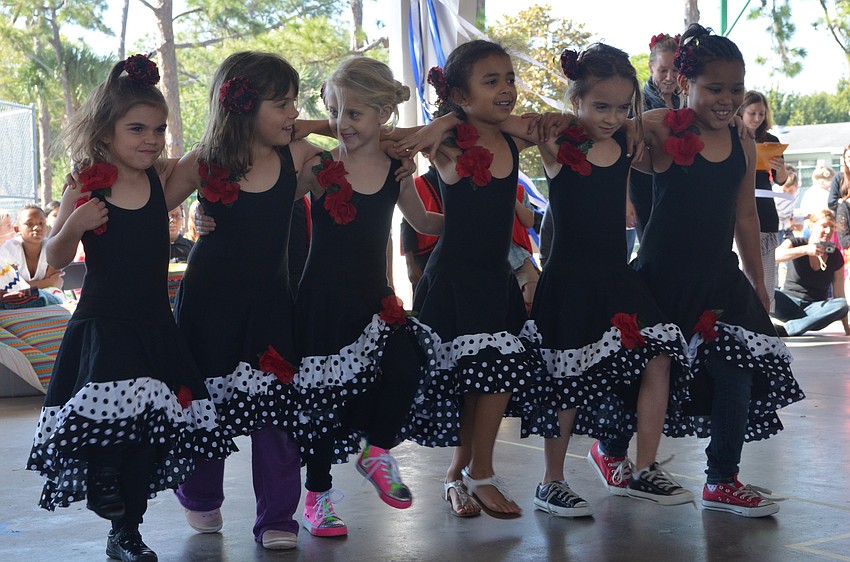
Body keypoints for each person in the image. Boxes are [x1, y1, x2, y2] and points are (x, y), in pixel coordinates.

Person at [26, 55, 225, 562]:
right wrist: (74, 225)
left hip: (155, 325)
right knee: (112, 425)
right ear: (106, 131)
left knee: (146, 434)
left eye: (158, 129)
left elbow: (215, 148)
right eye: (137, 128)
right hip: (103, 324)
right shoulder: (87, 184)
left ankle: (126, 532)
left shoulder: (160, 180)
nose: (150, 139)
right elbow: (53, 258)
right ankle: (103, 480)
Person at [627, 24, 802, 517]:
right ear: (684, 84)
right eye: (714, 88)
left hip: (719, 277)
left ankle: (722, 478)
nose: (727, 100)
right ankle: (616, 451)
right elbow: (604, 138)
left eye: (736, 89)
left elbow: (745, 214)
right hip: (661, 277)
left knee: (736, 369)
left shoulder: (743, 144)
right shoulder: (662, 126)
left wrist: (759, 281)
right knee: (641, 375)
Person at [163, 51, 325, 551]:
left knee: (275, 412)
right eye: (282, 104)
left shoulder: (296, 155)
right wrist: (192, 217)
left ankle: (278, 515)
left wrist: (303, 123)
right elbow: (147, 208)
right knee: (205, 405)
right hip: (208, 305)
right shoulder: (204, 161)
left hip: (270, 304)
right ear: (243, 105)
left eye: (295, 103)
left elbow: (355, 131)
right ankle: (200, 496)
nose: (293, 113)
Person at [525, 43, 692, 518]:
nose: (612, 117)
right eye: (600, 106)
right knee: (567, 377)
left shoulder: (624, 138)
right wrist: (551, 119)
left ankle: (643, 468)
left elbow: (662, 121)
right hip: (570, 280)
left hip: (617, 276)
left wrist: (638, 122)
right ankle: (551, 481)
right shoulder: (556, 140)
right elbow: (494, 123)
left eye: (622, 107)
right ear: (574, 100)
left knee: (659, 352)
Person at [399, 40, 553, 519]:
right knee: (481, 378)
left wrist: (464, 112)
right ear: (461, 96)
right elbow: (402, 139)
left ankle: (460, 475)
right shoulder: (447, 145)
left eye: (509, 78)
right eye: (492, 82)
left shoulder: (512, 138)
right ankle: (477, 474)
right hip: (456, 280)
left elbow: (556, 124)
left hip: (496, 278)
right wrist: (448, 120)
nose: (507, 88)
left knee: (490, 378)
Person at [292, 56, 444, 538]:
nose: (341, 124)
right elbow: (270, 199)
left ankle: (375, 450)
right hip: (321, 298)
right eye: (335, 112)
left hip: (374, 298)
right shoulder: (319, 164)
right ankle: (317, 499)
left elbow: (422, 223)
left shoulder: (396, 167)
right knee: (322, 401)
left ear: (382, 114)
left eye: (355, 114)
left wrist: (476, 221)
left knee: (408, 362)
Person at [629, 33, 684, 244]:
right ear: (651, 67)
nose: (670, 77)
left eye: (675, 70)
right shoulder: (635, 102)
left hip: (678, 187)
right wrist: (625, 201)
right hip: (644, 187)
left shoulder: (687, 101)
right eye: (663, 70)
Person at [738, 91, 787, 311]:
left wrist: (781, 169)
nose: (757, 118)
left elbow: (781, 181)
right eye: (752, 113)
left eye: (760, 114)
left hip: (765, 211)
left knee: (766, 274)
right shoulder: (731, 136)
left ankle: (765, 315)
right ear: (741, 111)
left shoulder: (771, 140)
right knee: (740, 270)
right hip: (738, 209)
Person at [773, 209, 849, 336]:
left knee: (841, 305)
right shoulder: (795, 243)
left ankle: (789, 329)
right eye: (824, 226)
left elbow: (839, 293)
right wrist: (805, 250)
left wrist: (847, 328)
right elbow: (774, 256)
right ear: (812, 227)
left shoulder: (834, 255)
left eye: (831, 227)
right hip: (789, 302)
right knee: (765, 291)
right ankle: (800, 324)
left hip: (815, 309)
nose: (828, 231)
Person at [0, 205, 65, 301]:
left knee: (55, 294)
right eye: (30, 224)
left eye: (41, 223)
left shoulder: (53, 248)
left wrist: (48, 283)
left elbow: (54, 286)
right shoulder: (9, 249)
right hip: (16, 301)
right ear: (17, 229)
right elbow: (12, 288)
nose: (37, 227)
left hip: (46, 299)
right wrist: (48, 282)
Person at [401, 166, 442, 293]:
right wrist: (410, 263)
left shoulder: (459, 181)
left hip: (453, 252)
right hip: (424, 256)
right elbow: (407, 225)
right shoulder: (417, 183)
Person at [510, 184, 539, 315]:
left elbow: (529, 222)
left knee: (533, 293)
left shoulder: (519, 189)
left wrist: (514, 200)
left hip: (518, 255)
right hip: (491, 255)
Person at [775, 165, 800, 242]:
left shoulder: (796, 193)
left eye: (790, 191)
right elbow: (778, 213)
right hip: (778, 227)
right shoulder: (777, 194)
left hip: (787, 227)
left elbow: (790, 209)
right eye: (785, 191)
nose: (788, 194)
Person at [827, 144, 850, 211]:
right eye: (849, 157)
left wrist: (841, 201)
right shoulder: (839, 178)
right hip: (844, 219)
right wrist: (846, 203)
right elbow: (832, 203)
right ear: (845, 159)